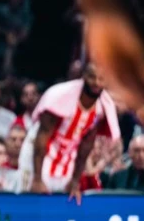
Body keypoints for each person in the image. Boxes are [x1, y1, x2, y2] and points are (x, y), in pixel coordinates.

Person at [17, 62, 121, 202]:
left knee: (61, 201)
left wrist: (75, 180)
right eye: (92, 77)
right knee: (31, 199)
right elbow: (42, 137)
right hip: (38, 151)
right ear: (83, 76)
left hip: (67, 153)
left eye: (101, 79)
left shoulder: (102, 107)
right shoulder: (59, 95)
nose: (96, 83)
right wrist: (37, 179)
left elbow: (86, 145)